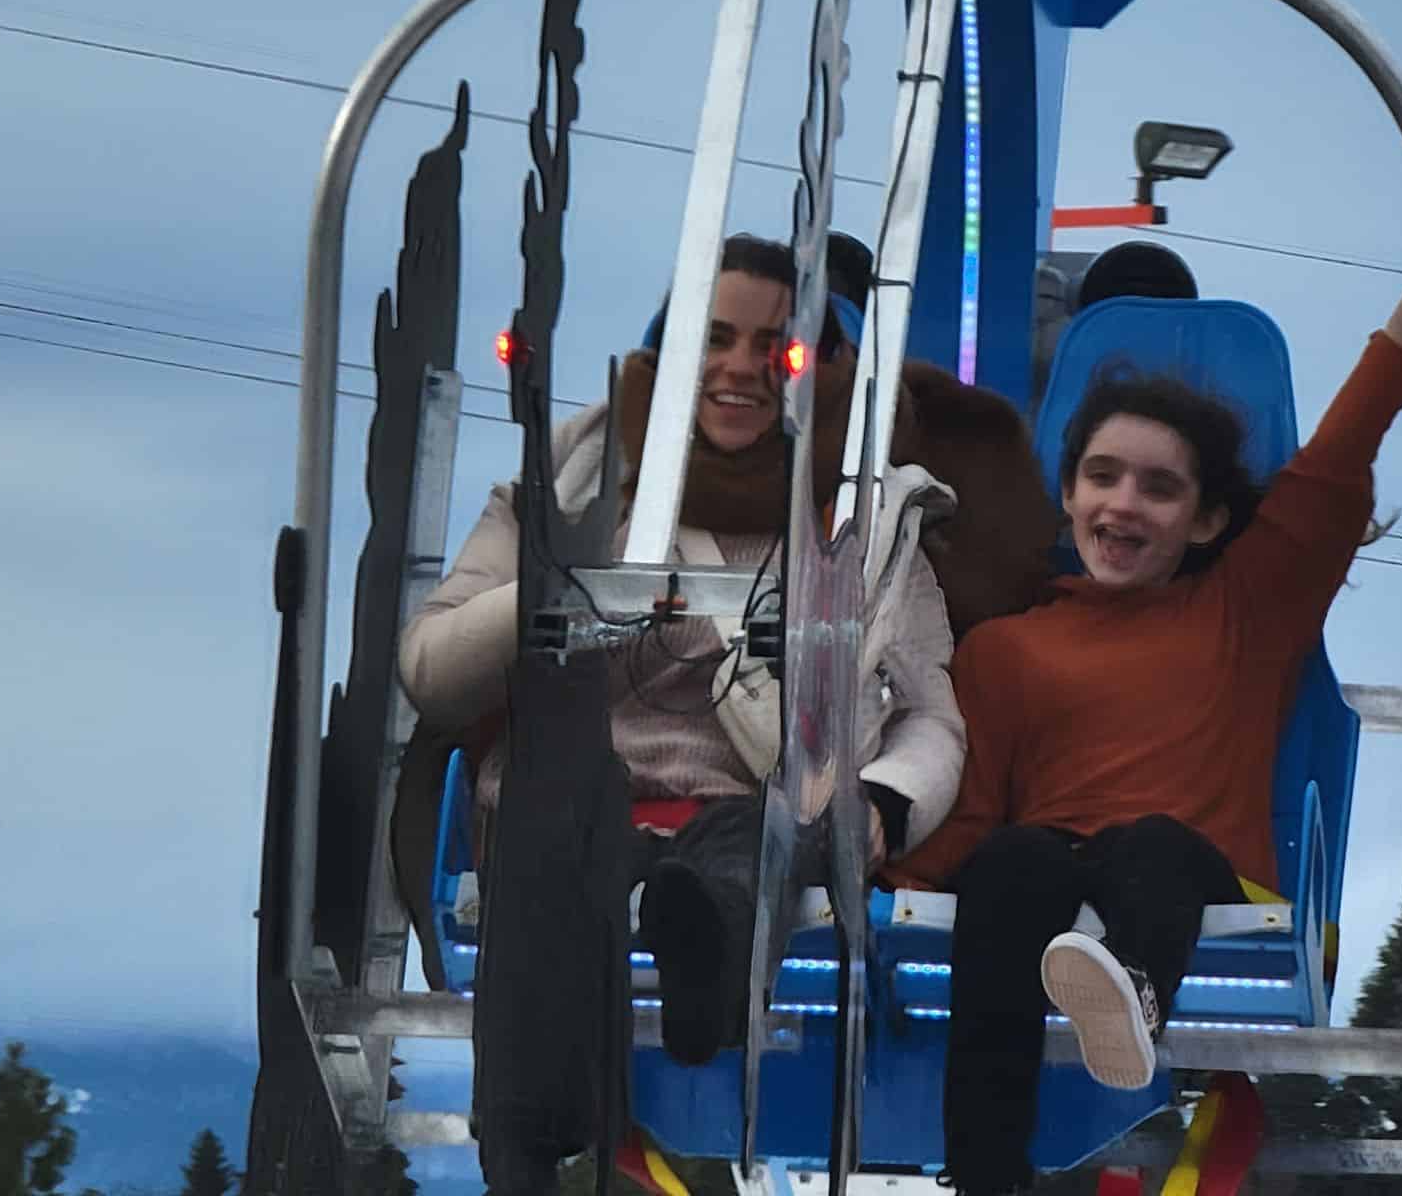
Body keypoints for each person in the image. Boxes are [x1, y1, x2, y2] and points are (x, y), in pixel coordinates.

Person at [886, 206, 1402, 1196]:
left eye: (1158, 489)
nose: (1123, 504)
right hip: (1046, 868)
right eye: (1101, 478)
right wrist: (876, 881)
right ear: (1068, 497)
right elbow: (970, 814)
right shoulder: (1006, 648)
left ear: (1207, 517)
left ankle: (1127, 988)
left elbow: (1335, 460)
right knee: (1008, 864)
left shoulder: (1241, 612)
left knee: (1153, 848)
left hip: (1191, 877)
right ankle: (985, 1176)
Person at [398, 233, 1058, 1086]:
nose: (740, 369)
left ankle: (706, 971)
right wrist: (562, 588)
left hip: (759, 813)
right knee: (565, 845)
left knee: (747, 847)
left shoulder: (865, 519)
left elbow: (931, 710)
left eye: (774, 346)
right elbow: (431, 670)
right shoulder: (570, 486)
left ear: (821, 368)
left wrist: (888, 803)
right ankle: (539, 1102)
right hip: (573, 799)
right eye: (713, 338)